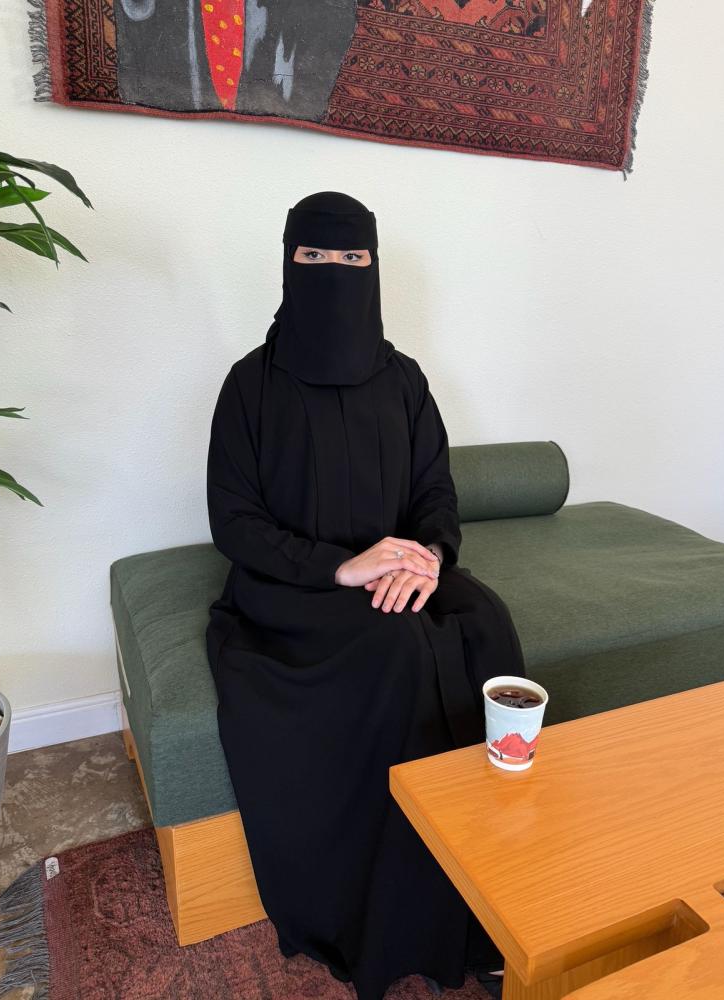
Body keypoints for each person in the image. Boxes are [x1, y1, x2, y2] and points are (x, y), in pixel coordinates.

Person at [205, 191, 525, 1000]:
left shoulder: (404, 379)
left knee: (483, 621)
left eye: (352, 258)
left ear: (374, 267)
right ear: (288, 264)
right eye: (314, 256)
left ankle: (495, 886)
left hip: (398, 571)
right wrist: (339, 567)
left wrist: (430, 557)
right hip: (295, 588)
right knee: (395, 653)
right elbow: (234, 522)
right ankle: (396, 920)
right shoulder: (249, 385)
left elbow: (436, 492)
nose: (334, 272)